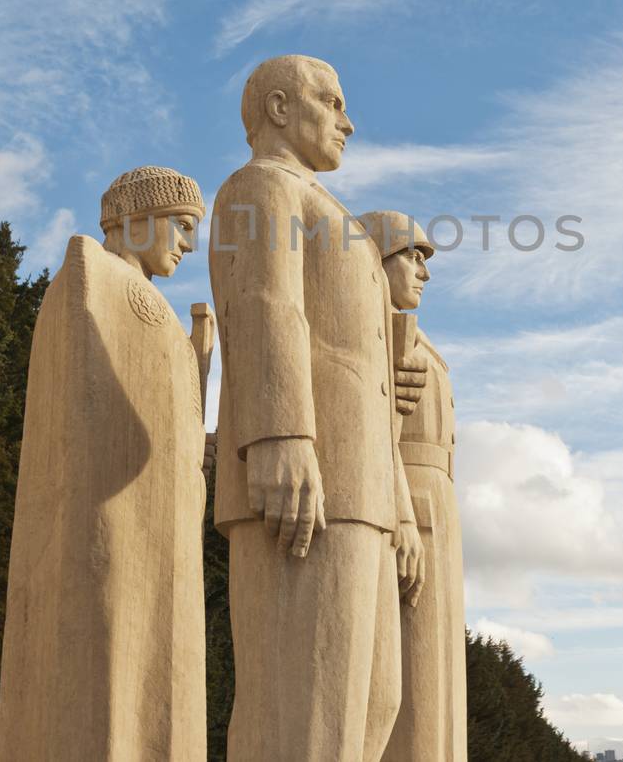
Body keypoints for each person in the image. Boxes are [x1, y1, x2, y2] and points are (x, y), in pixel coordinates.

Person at [210, 55, 423, 761]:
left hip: (359, 484)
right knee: (305, 709)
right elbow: (265, 306)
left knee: (371, 700)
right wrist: (279, 432)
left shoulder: (334, 216)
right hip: (305, 473)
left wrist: (396, 502)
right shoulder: (258, 187)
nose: (348, 120)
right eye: (332, 102)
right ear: (278, 107)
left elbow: (369, 374)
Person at [0, 167, 208, 762]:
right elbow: (92, 403)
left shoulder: (147, 302)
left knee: (158, 668)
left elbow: (153, 412)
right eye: (183, 226)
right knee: (108, 663)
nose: (189, 245)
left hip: (160, 525)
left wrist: (194, 433)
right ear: (135, 217)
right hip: (115, 516)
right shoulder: (95, 276)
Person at [359, 210, 467, 762]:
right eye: (413, 255)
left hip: (436, 503)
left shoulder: (413, 336)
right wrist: (399, 507)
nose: (424, 271)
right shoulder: (370, 334)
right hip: (405, 500)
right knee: (413, 673)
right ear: (374, 258)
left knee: (441, 667)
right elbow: (369, 429)